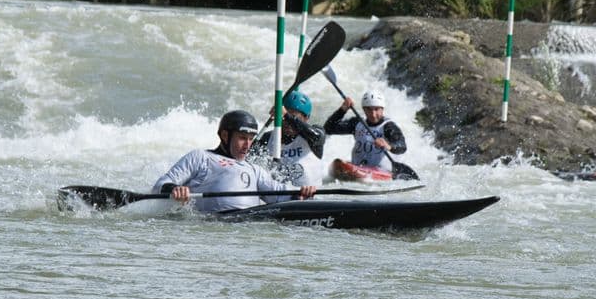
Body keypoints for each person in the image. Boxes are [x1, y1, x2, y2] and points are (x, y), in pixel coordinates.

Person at [152, 110, 316, 212]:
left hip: (247, 226)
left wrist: (301, 193)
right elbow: (160, 185)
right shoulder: (201, 157)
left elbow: (280, 196)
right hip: (212, 225)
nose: (248, 145)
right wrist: (175, 190)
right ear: (225, 136)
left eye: (251, 139)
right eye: (242, 138)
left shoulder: (255, 170)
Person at [250, 90, 326, 186]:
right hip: (281, 198)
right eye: (283, 118)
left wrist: (287, 115)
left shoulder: (314, 135)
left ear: (306, 118)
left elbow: (316, 136)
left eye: (293, 117)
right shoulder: (267, 138)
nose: (287, 123)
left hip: (310, 197)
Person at [324, 89, 407, 172]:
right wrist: (342, 110)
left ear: (382, 109)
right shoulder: (357, 123)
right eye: (369, 109)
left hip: (379, 171)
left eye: (376, 109)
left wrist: (388, 145)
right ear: (364, 109)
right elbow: (328, 129)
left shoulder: (388, 126)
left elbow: (402, 146)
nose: (373, 114)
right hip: (357, 168)